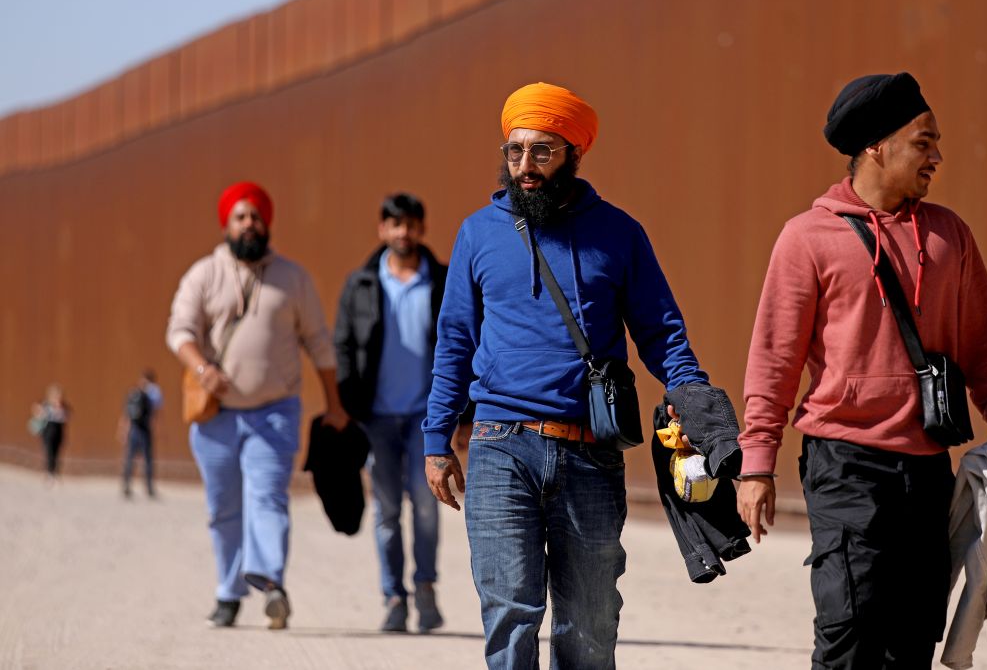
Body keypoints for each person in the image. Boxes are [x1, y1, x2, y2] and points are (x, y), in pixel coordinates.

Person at [738, 72, 987, 668]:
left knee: (912, 640)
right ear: (877, 145)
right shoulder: (807, 238)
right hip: (843, 464)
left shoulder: (951, 236)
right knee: (849, 633)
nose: (937, 157)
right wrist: (757, 464)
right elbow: (775, 360)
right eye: (923, 142)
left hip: (929, 468)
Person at [423, 82, 709, 669]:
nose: (525, 167)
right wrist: (437, 440)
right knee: (510, 613)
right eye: (515, 152)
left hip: (590, 454)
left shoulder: (620, 233)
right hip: (500, 446)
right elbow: (454, 340)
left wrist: (693, 393)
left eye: (542, 152)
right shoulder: (478, 233)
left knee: (590, 622)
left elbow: (660, 330)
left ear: (573, 154)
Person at [166, 181, 345, 630]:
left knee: (268, 499)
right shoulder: (203, 274)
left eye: (256, 216)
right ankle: (228, 593)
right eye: (241, 217)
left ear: (267, 223)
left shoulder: (293, 278)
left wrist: (335, 405)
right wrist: (203, 369)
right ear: (227, 223)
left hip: (274, 412)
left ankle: (270, 584)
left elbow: (320, 345)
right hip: (215, 417)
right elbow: (179, 331)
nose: (249, 224)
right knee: (223, 507)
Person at [334, 192, 449, 633]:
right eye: (394, 224)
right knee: (385, 510)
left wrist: (459, 415)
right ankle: (393, 597)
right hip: (376, 418)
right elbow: (342, 345)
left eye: (411, 224)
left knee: (425, 503)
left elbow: (462, 342)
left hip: (427, 416)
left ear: (422, 228)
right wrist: (350, 406)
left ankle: (425, 587)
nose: (403, 233)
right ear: (382, 229)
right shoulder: (361, 283)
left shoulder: (440, 280)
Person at [120, 368, 162, 498]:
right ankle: (146, 487)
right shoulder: (152, 395)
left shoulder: (135, 394)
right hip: (143, 429)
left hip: (136, 429)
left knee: (132, 458)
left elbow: (126, 414)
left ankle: (129, 485)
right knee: (144, 459)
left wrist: (123, 430)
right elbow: (155, 413)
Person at [31, 383, 70, 483]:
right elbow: (37, 412)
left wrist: (60, 409)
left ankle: (55, 473)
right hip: (48, 432)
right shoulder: (46, 405)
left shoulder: (64, 407)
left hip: (59, 431)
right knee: (49, 452)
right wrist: (39, 411)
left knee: (57, 453)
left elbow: (68, 416)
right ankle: (49, 473)